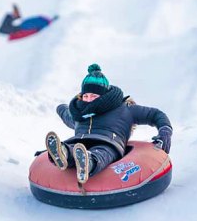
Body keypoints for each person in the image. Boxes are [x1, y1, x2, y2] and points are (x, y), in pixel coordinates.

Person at [44, 64, 172, 184]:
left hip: (109, 142)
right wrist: (61, 108)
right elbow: (67, 115)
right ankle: (64, 153)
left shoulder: (124, 109)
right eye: (86, 96)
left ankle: (88, 162)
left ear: (103, 95)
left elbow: (155, 114)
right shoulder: (79, 113)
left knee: (103, 152)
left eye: (93, 96)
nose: (88, 100)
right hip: (79, 142)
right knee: (72, 147)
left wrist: (165, 130)